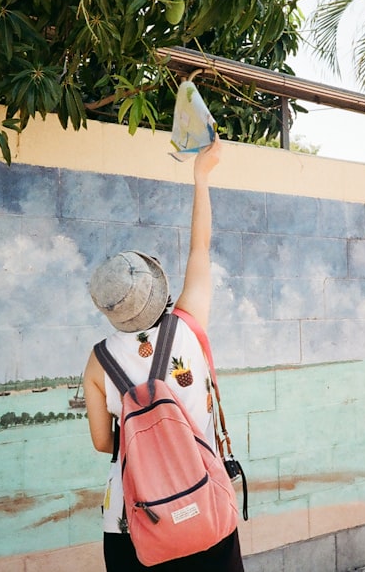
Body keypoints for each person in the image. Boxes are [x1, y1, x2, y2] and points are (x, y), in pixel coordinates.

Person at [82, 139, 244, 571]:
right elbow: (200, 249)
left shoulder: (98, 362)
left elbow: (103, 443)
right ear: (158, 292)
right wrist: (201, 177)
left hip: (132, 521)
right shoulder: (188, 326)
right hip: (202, 501)